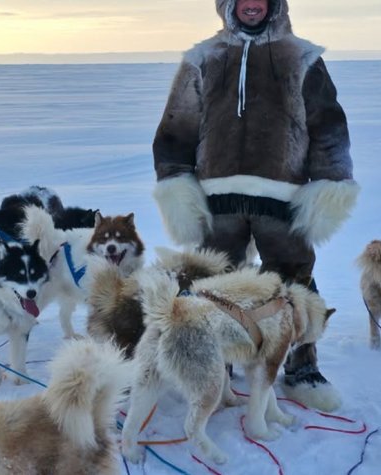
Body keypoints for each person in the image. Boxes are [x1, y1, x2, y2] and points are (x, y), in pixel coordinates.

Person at [151, 0, 358, 411]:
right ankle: (213, 367)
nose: (251, 4)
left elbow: (329, 125)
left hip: (283, 195)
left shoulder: (302, 58)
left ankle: (301, 366)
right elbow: (177, 126)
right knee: (211, 286)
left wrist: (330, 184)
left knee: (294, 283)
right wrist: (176, 180)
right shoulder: (203, 59)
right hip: (217, 197)